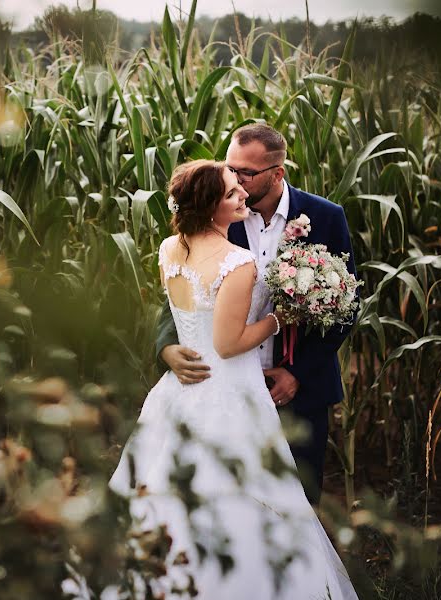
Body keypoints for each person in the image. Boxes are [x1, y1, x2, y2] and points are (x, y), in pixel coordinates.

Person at [76, 159, 358, 599]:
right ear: (210, 206)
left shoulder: (171, 247)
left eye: (242, 184)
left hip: (182, 394)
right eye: (231, 191)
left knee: (165, 491)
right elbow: (228, 344)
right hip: (231, 388)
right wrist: (279, 319)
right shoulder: (237, 261)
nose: (242, 193)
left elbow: (185, 313)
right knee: (244, 498)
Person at [156, 124, 357, 505]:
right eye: (230, 168)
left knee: (296, 508)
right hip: (223, 386)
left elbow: (345, 305)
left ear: (277, 173)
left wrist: (296, 373)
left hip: (299, 391)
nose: (235, 179)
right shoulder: (218, 214)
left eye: (246, 172)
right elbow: (182, 293)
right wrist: (166, 348)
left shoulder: (325, 217)